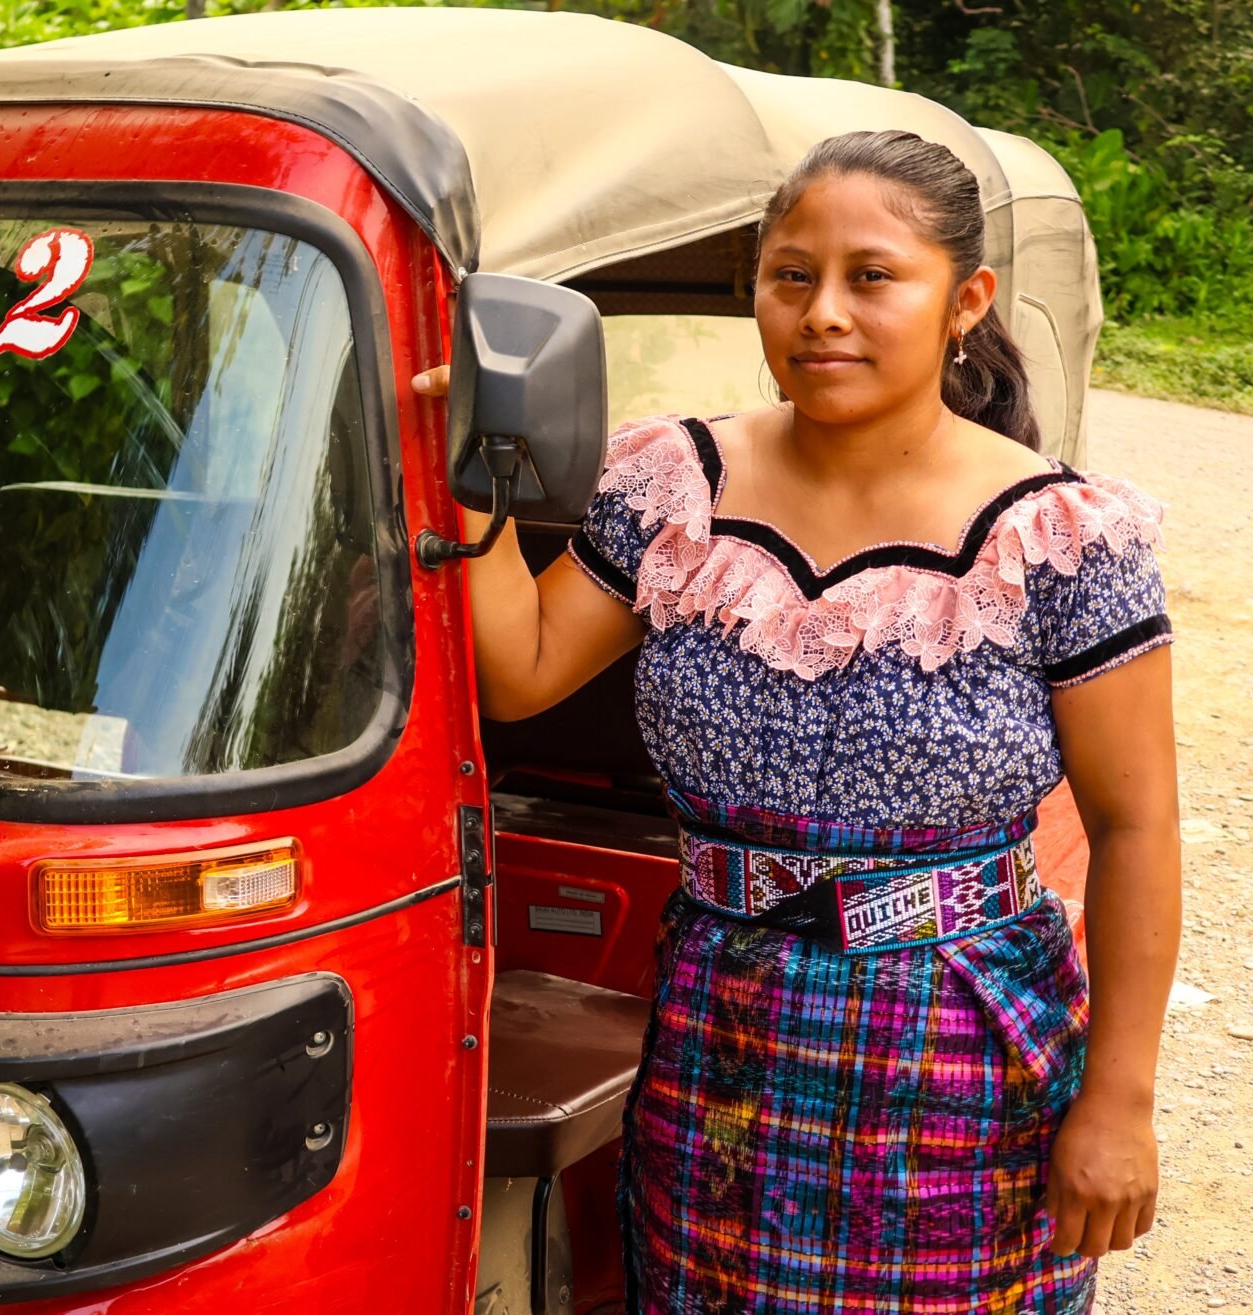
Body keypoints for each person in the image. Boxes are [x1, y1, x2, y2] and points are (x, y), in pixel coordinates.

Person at [414, 129, 1180, 1313]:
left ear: (962, 300)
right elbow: (518, 671)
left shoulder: (1059, 536)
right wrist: (475, 461)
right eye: (789, 275)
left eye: (871, 276)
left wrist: (1118, 1100)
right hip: (721, 1034)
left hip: (964, 1053)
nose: (822, 312)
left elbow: (1134, 828)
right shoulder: (672, 486)